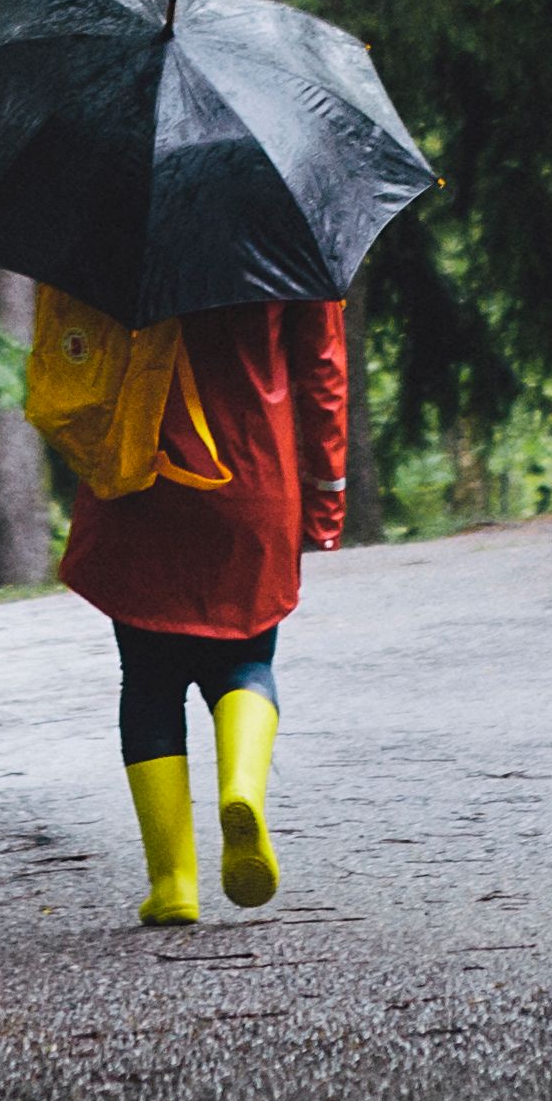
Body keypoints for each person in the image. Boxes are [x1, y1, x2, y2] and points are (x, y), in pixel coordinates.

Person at [59, 289, 345, 927]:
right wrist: (326, 501)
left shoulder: (118, 242)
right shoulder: (291, 248)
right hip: (254, 484)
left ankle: (173, 883)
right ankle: (241, 788)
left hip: (143, 483)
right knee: (246, 659)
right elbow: (322, 377)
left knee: (149, 679)